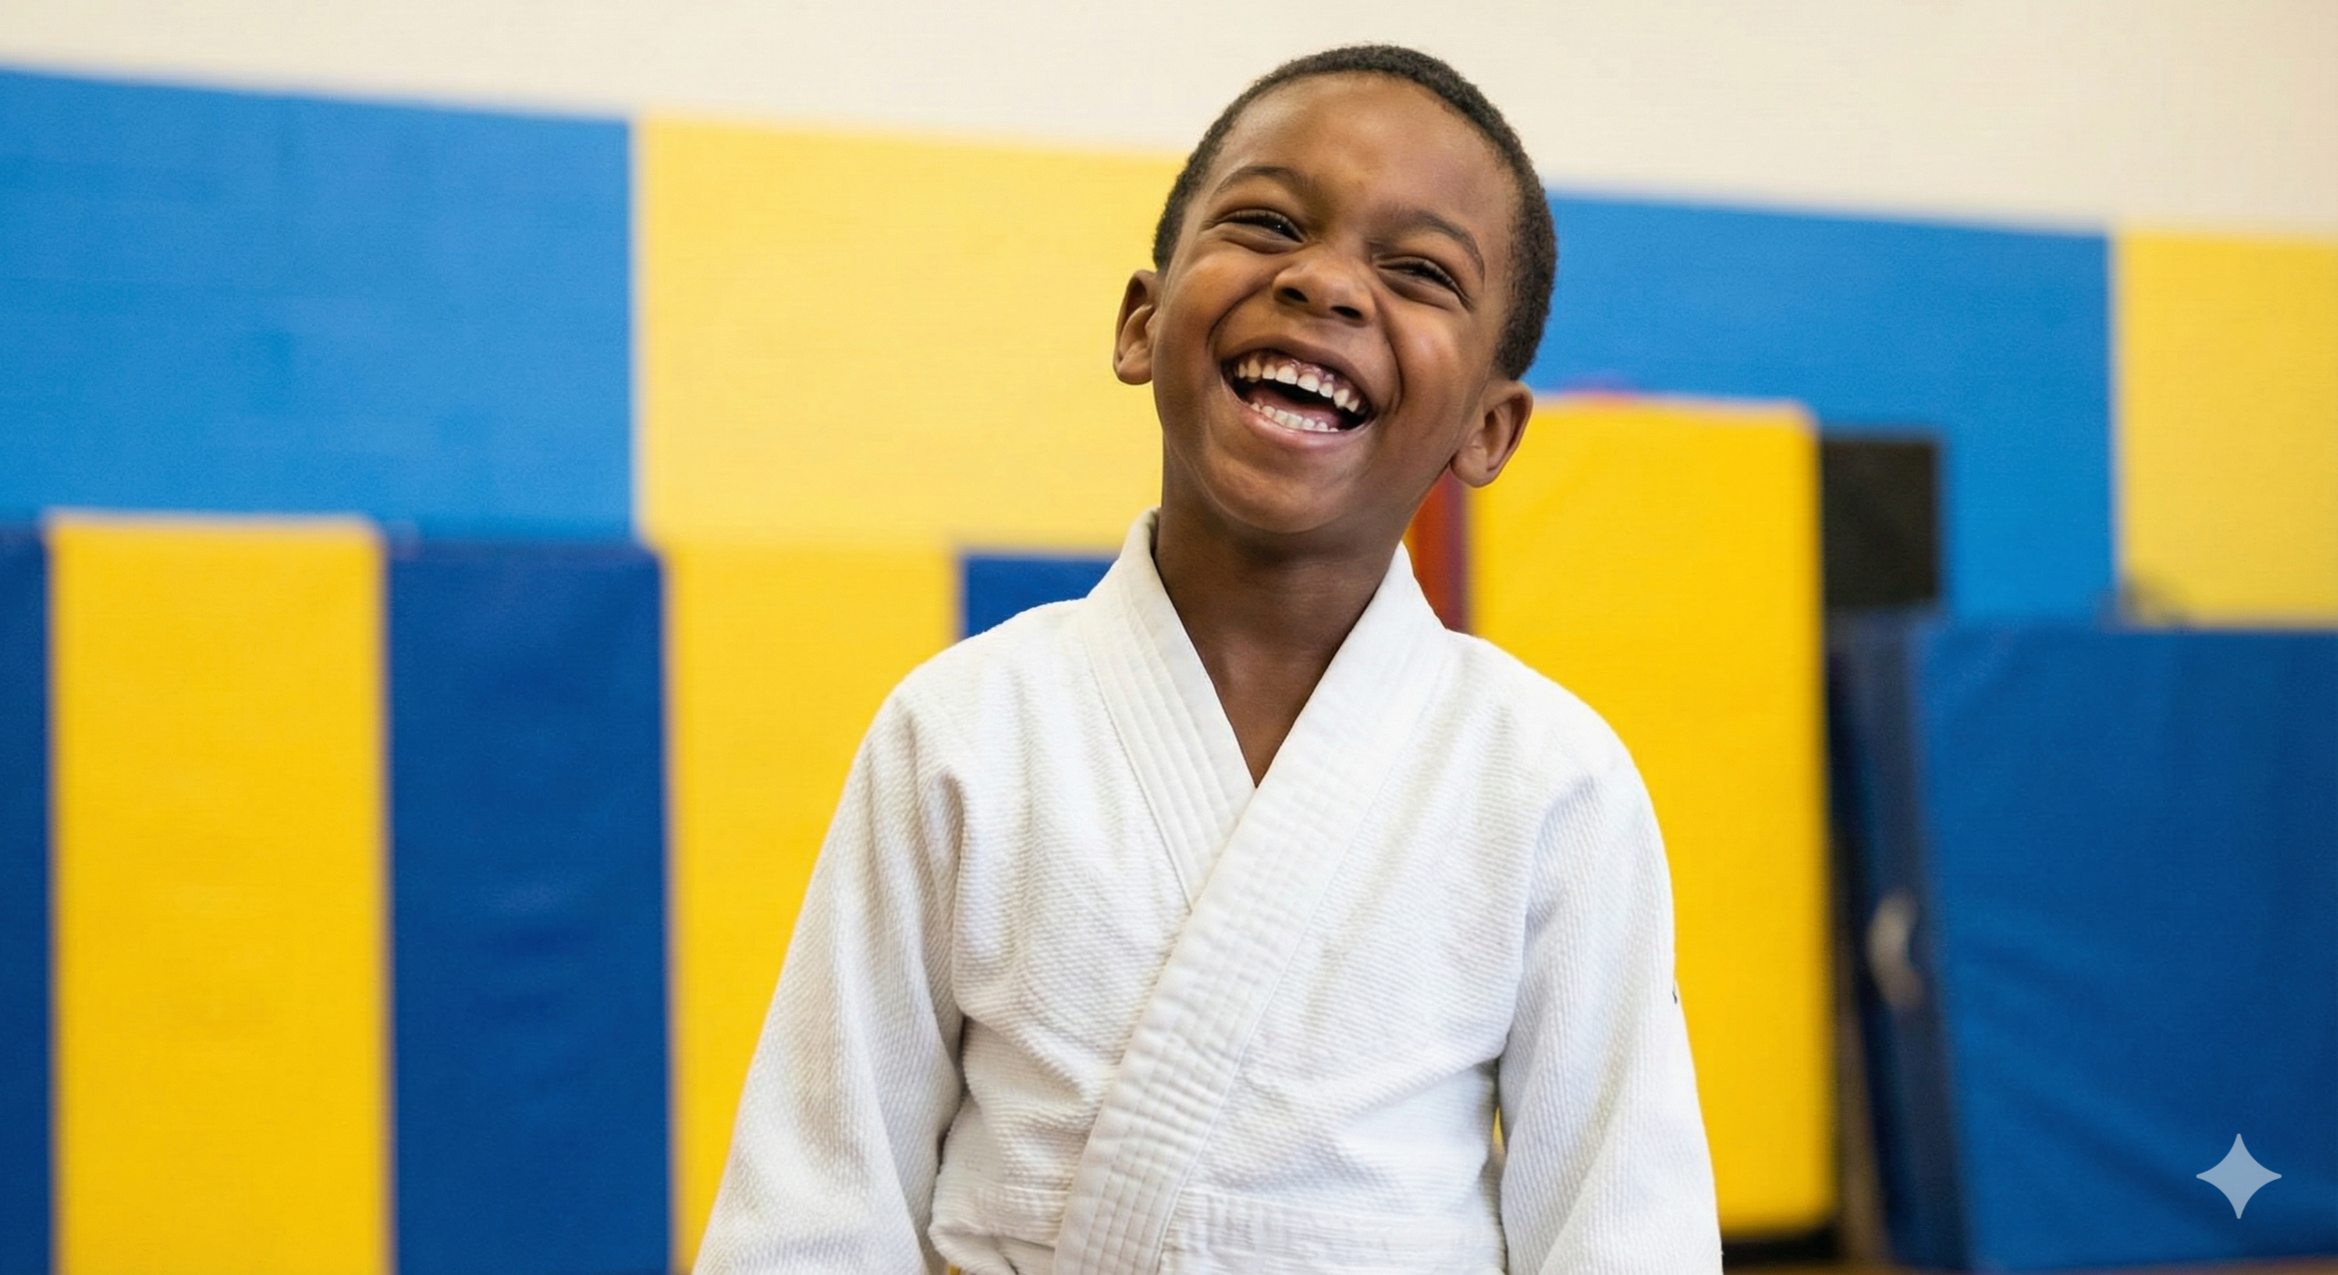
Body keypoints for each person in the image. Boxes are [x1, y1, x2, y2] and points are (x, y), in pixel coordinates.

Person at [696, 44, 1722, 1275]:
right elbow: (816, 1199)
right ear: (1141, 323)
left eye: (1417, 271)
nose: (1327, 284)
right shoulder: (965, 729)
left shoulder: (1549, 778)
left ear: (1487, 429)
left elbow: (1625, 1229)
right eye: (1267, 221)